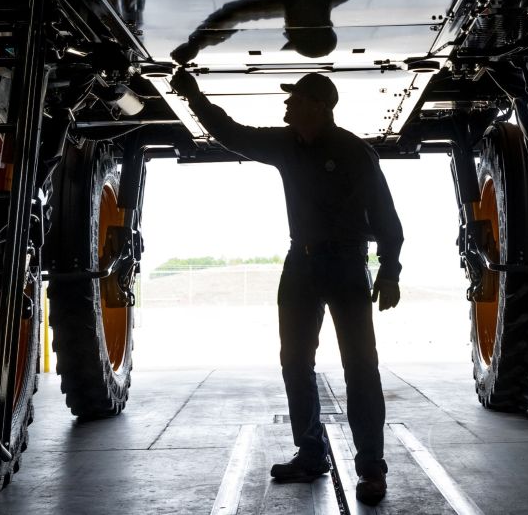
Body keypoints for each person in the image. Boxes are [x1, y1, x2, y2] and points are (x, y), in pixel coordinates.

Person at [169, 68, 403, 506]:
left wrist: (390, 271)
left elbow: (386, 215)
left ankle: (371, 468)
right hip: (302, 261)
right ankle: (311, 453)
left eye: (294, 100)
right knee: (295, 361)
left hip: (348, 263)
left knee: (360, 367)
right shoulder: (286, 144)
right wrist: (193, 95)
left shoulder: (355, 152)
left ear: (320, 104)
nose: (286, 106)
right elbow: (230, 132)